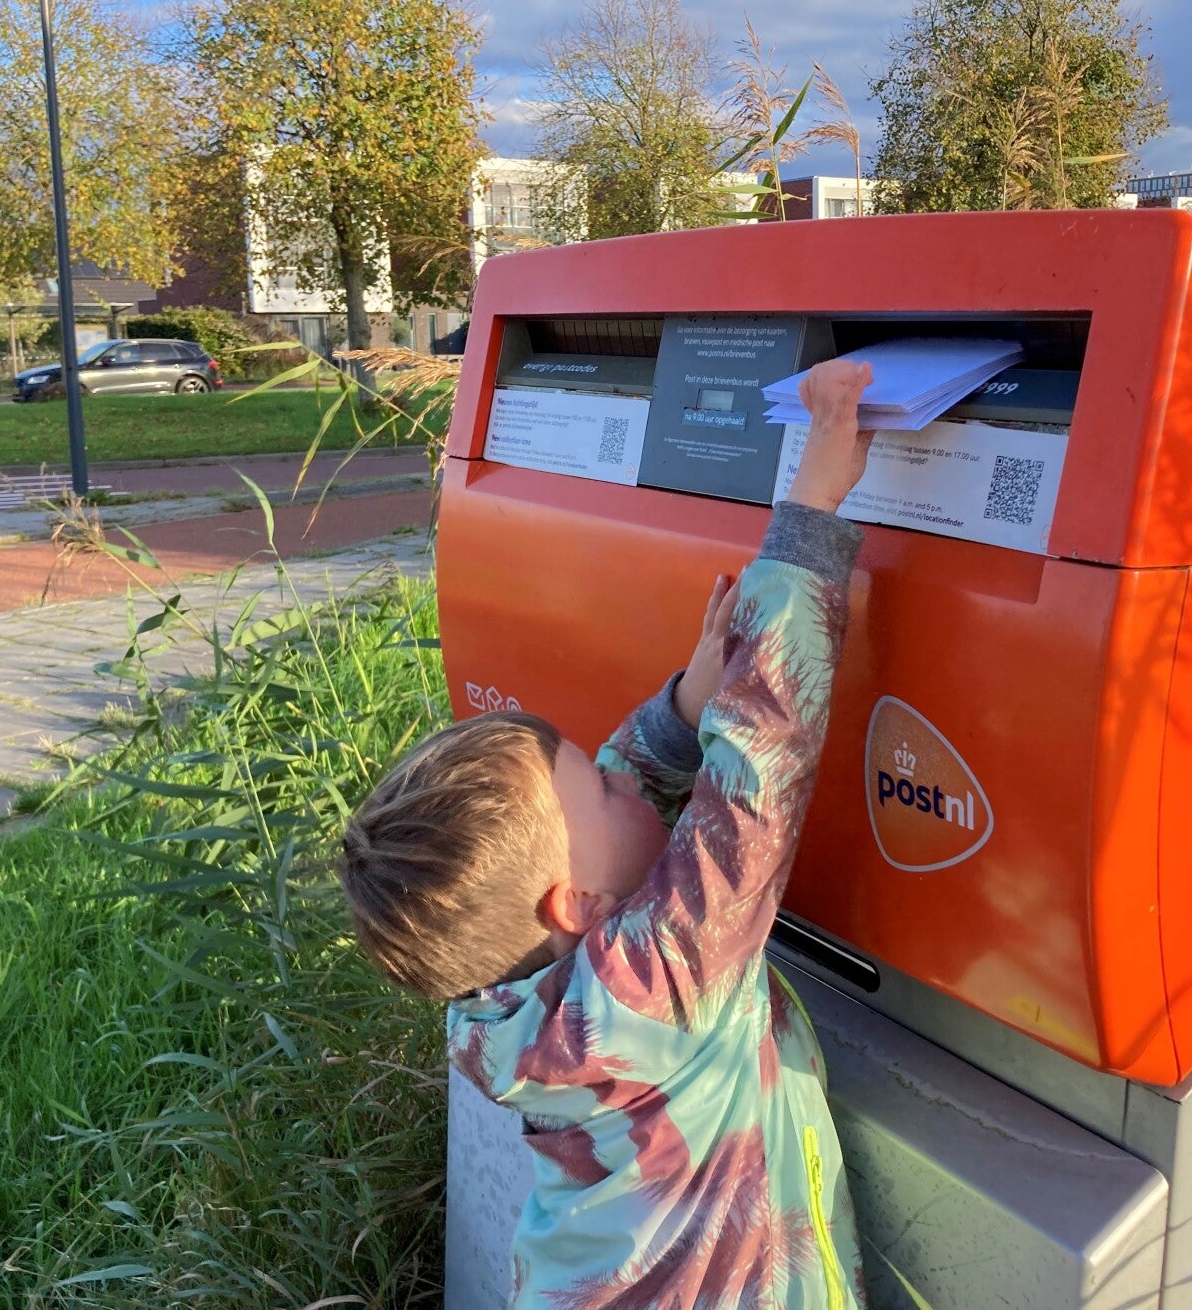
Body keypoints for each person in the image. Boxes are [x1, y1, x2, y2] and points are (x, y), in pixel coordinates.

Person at [338, 358, 877, 1306]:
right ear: (578, 906)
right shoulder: (653, 987)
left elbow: (625, 806)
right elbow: (759, 774)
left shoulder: (493, 1008)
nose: (626, 778)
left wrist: (683, 709)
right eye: (601, 787)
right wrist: (811, 512)